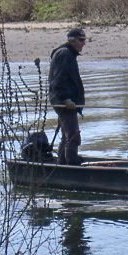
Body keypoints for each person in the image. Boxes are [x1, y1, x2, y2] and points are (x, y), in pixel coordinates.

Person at [48, 26, 87, 165]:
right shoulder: (64, 54)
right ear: (72, 40)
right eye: (81, 40)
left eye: (84, 40)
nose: (83, 43)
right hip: (63, 101)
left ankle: (62, 162)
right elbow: (58, 81)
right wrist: (66, 99)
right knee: (73, 134)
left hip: (67, 101)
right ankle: (72, 163)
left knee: (66, 134)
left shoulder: (69, 54)